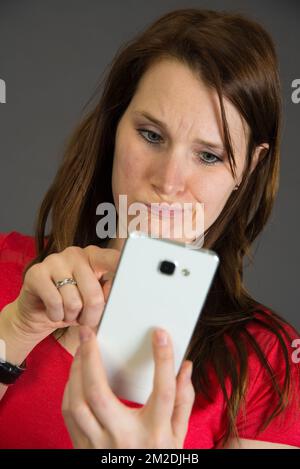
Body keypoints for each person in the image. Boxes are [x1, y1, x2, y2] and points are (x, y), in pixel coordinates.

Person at [0, 8, 299, 449]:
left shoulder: (269, 361)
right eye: (151, 135)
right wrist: (17, 329)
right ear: (115, 127)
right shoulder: (9, 269)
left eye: (209, 155)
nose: (169, 181)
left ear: (249, 169)